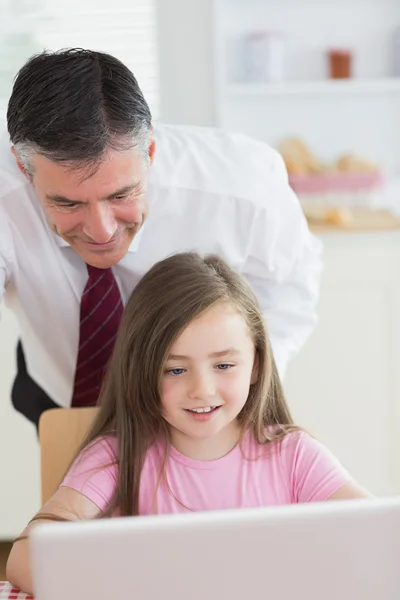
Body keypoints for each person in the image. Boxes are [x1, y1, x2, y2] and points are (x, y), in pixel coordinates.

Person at [7, 252, 370, 594]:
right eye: (175, 369)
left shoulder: (295, 456)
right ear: (142, 372)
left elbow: (377, 536)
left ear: (256, 364)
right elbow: (23, 560)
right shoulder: (116, 457)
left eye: (224, 366)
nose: (202, 390)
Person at [0, 48, 322, 428]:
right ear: (23, 168)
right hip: (63, 385)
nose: (101, 230)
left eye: (121, 195)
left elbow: (289, 290)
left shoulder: (244, 186)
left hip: (211, 407)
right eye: (67, 203)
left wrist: (236, 384)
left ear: (150, 151)